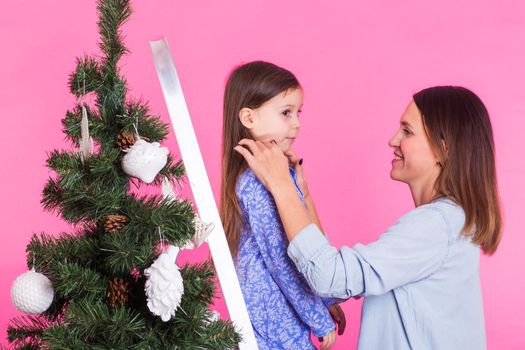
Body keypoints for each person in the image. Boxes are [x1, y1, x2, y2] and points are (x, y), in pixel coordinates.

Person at [234, 86, 502, 349]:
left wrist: (281, 186)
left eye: (407, 131)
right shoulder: (448, 222)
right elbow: (326, 274)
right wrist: (303, 194)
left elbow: (327, 275)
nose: (393, 140)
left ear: (443, 149)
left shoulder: (436, 226)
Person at [220, 61, 346, 350]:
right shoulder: (257, 182)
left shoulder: (278, 172)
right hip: (271, 306)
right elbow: (281, 259)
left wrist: (323, 300)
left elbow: (305, 246)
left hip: (285, 303)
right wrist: (317, 315)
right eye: (286, 113)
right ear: (249, 118)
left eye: (298, 112)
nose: (297, 123)